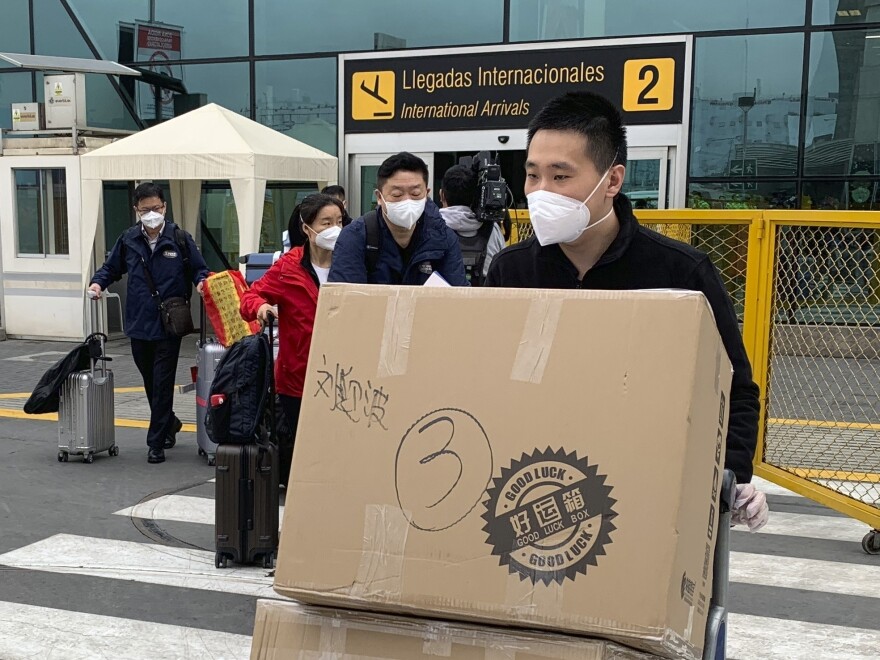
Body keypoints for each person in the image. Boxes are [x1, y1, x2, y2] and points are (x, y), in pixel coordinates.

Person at [486, 91, 768, 532]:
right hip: (533, 490)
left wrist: (732, 477)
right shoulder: (512, 270)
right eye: (532, 175)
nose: (541, 193)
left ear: (612, 181)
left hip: (645, 495)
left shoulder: (680, 272)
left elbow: (735, 388)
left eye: (560, 177)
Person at [89, 182, 208, 464]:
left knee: (163, 381)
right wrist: (97, 283)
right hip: (139, 321)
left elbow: (199, 268)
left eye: (156, 208)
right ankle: (170, 422)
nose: (151, 214)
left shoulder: (179, 238)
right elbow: (111, 268)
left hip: (171, 323)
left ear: (164, 207)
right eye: (145, 210)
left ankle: (156, 443)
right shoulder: (129, 239)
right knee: (149, 379)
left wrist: (203, 283)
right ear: (136, 211)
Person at [240, 193, 344, 484]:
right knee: (304, 448)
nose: (335, 229)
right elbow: (250, 296)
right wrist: (260, 307)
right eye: (326, 223)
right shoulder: (288, 268)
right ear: (307, 229)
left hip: (344, 375)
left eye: (339, 221)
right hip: (298, 378)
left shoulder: (353, 260)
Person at [328, 152, 468, 286]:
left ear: (427, 194)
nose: (407, 201)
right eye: (396, 195)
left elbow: (458, 300)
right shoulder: (355, 237)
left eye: (415, 193)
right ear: (379, 197)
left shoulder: (444, 238)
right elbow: (345, 301)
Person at [439, 164, 507, 285]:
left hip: (442, 299)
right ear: (476, 197)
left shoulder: (432, 226)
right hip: (483, 300)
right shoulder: (493, 229)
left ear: (442, 195)